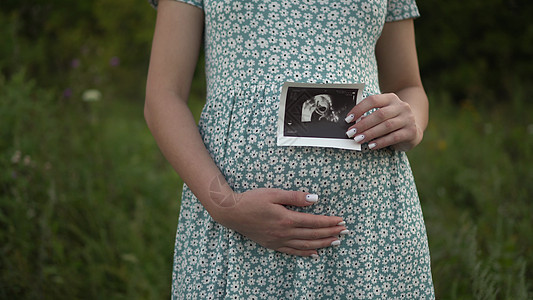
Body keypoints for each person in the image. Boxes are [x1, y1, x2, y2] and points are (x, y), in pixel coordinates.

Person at [145, 0, 434, 298]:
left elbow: (408, 86)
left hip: (369, 222)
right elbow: (164, 96)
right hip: (239, 225)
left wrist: (411, 121)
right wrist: (225, 206)